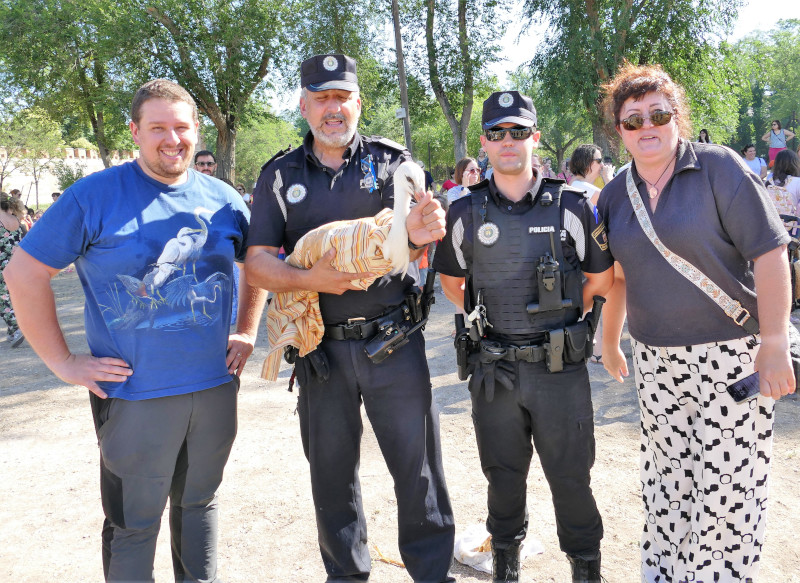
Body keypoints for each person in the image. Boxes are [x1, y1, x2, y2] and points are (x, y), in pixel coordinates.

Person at [4, 79, 267, 582]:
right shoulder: (93, 195)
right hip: (133, 396)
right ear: (135, 132)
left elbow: (257, 264)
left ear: (196, 131)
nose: (173, 139)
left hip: (213, 389)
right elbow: (23, 273)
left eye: (182, 127)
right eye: (158, 128)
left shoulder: (223, 198)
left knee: (200, 507)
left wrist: (247, 329)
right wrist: (64, 362)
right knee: (133, 525)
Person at [244, 53, 455, 583]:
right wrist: (308, 281)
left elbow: (422, 243)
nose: (333, 109)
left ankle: (431, 573)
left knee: (419, 472)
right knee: (332, 478)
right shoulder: (279, 175)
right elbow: (258, 262)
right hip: (320, 353)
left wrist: (430, 228)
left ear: (358, 102)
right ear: (303, 105)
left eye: (342, 97)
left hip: (394, 341)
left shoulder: (394, 163)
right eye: (321, 98)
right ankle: (346, 575)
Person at [598, 62, 794, 583]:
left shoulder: (719, 168)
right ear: (618, 130)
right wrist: (610, 340)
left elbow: (771, 254)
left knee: (729, 490)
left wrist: (773, 341)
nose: (647, 127)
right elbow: (618, 278)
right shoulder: (614, 195)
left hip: (732, 357)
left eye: (658, 114)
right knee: (668, 485)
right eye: (632, 119)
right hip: (657, 363)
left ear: (677, 117)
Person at [434, 90, 614, 583]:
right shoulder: (464, 212)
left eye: (518, 131)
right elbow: (454, 285)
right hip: (496, 373)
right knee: (503, 480)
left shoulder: (574, 205)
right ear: (485, 143)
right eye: (497, 133)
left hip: (560, 372)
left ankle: (585, 571)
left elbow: (599, 280)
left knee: (572, 480)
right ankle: (506, 570)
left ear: (535, 137)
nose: (508, 141)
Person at [1, 196, 25, 347]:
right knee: (14, 297)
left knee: (3, 300)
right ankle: (12, 332)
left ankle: (16, 329)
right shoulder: (15, 219)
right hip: (17, 264)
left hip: (2, 267)